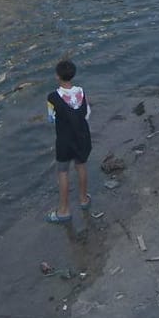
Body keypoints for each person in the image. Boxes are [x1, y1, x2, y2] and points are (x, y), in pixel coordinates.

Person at [45, 59, 92, 223]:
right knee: (81, 166)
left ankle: (64, 210)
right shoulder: (81, 92)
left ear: (57, 76)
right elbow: (86, 114)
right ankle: (84, 199)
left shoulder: (52, 97)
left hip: (64, 140)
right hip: (82, 138)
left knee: (63, 172)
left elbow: (51, 119)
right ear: (73, 75)